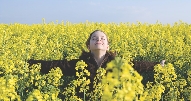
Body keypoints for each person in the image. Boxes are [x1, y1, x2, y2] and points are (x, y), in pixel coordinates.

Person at [28, 29, 165, 99]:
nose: (98, 40)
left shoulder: (117, 63)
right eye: (94, 38)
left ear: (108, 46)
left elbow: (137, 65)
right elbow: (55, 65)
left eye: (102, 38)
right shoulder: (80, 64)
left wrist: (157, 65)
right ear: (89, 46)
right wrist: (29, 64)